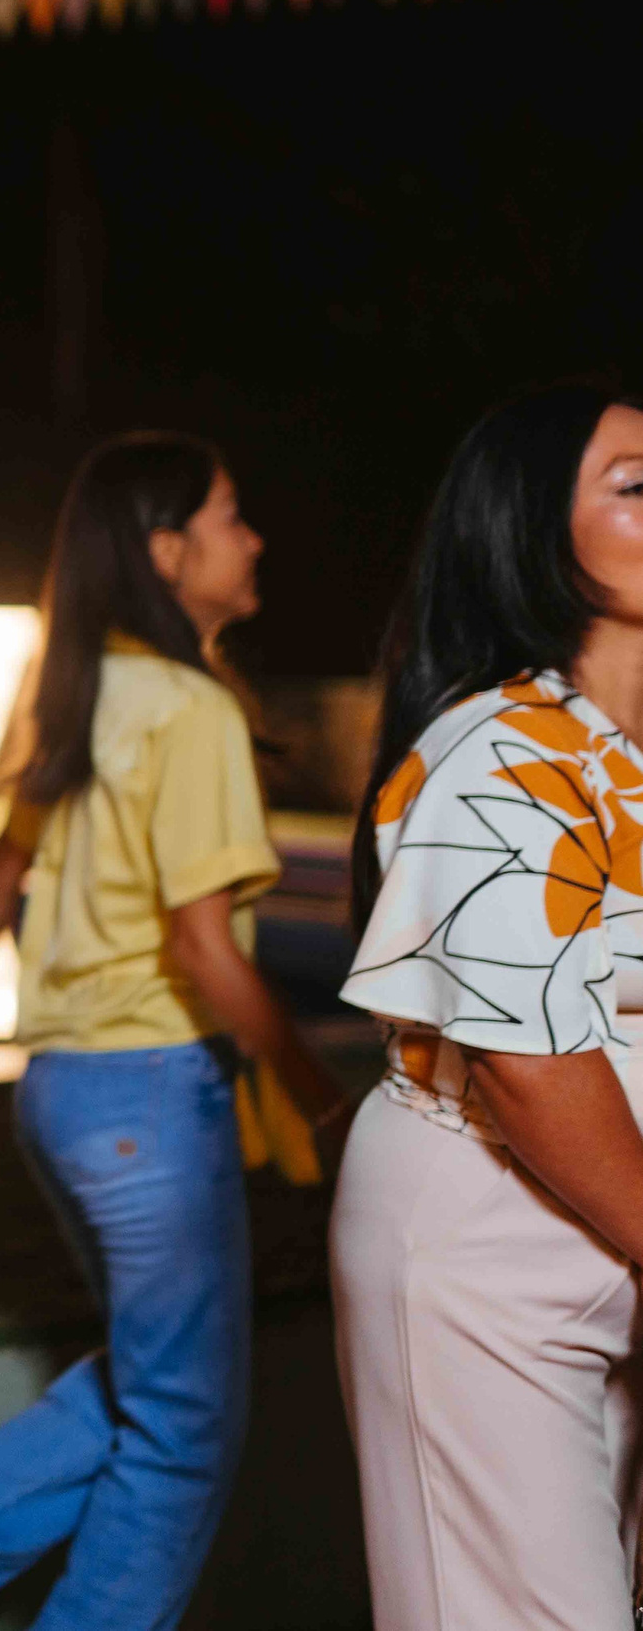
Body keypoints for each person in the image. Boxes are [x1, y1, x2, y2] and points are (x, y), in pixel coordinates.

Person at [0, 433, 345, 1631]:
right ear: (165, 550)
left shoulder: (82, 694)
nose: (252, 539)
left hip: (60, 1091)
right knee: (186, 1427)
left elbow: (5, 862)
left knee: (162, 1371)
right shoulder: (187, 707)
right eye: (229, 515)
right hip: (147, 1094)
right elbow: (204, 947)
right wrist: (318, 1092)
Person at [335, 387, 643, 1630]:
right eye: (636, 483)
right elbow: (527, 1061)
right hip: (491, 1234)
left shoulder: (616, 746)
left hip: (608, 1226)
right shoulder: (501, 749)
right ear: (529, 530)